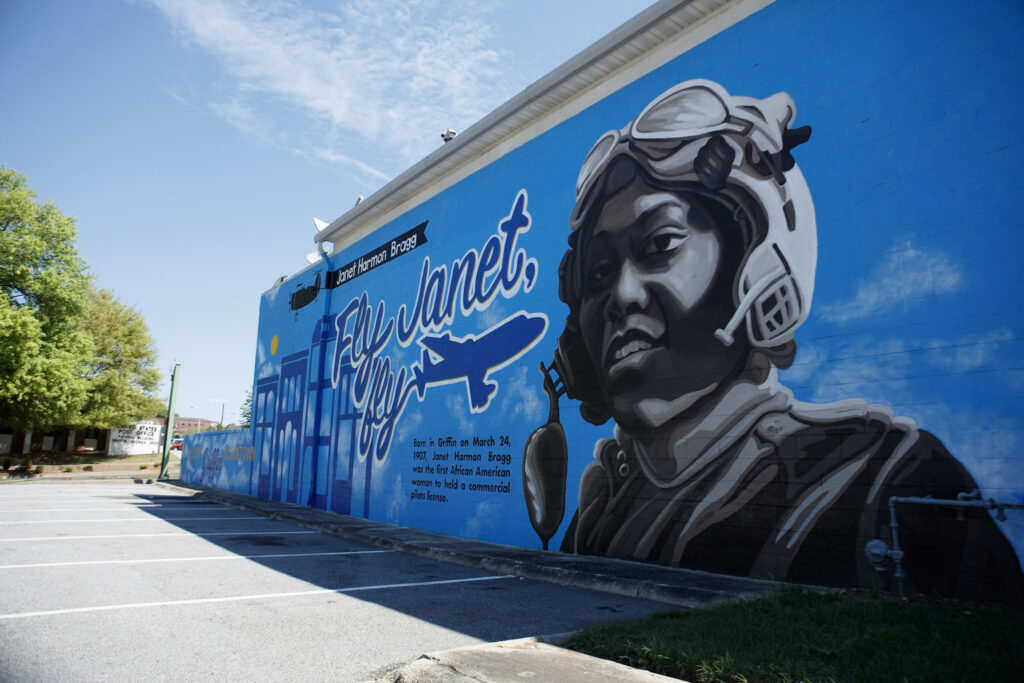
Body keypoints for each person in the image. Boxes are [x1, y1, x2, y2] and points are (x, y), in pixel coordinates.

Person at [522, 79, 1023, 604]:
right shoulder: (605, 506)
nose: (621, 295)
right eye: (599, 274)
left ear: (756, 261)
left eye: (661, 244)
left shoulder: (882, 481)